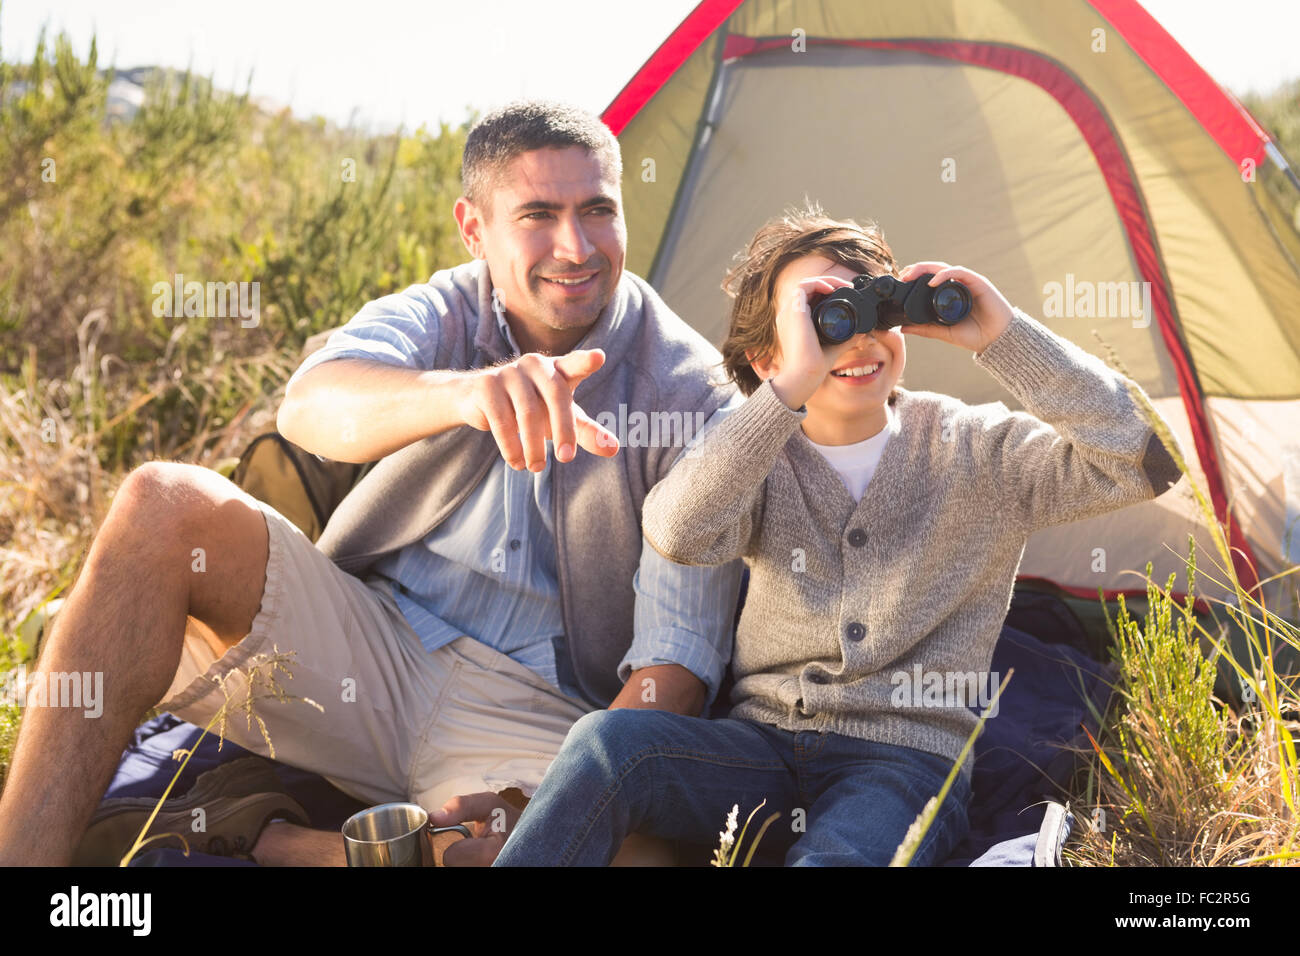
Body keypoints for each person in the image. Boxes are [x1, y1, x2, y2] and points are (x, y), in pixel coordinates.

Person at [0, 100, 741, 867]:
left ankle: (310, 846)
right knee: (161, 503)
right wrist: (464, 393)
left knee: (648, 859)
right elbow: (310, 406)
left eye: (597, 210)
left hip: (540, 715)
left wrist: (551, 801)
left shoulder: (694, 398)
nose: (575, 246)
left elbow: (675, 672)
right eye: (538, 215)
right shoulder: (448, 310)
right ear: (474, 229)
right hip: (372, 643)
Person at [492, 205, 1185, 866]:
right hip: (758, 748)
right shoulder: (755, 453)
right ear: (769, 358)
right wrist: (789, 389)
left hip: (903, 762)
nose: (855, 337)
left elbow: (1146, 458)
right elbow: (678, 532)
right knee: (609, 745)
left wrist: (1005, 337)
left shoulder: (978, 451)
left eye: (871, 309)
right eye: (822, 320)